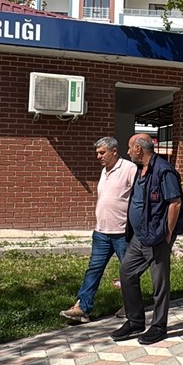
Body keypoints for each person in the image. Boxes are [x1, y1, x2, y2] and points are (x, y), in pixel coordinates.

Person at [113, 134, 183, 345]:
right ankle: (135, 321)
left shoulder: (164, 170)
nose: (127, 152)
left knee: (159, 284)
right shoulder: (140, 170)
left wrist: (168, 233)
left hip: (156, 237)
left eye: (129, 148)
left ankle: (159, 326)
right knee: (127, 273)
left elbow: (175, 203)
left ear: (138, 149)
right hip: (138, 236)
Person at [61, 137, 137, 324]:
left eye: (102, 152)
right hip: (102, 232)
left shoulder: (129, 169)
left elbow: (138, 197)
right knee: (94, 269)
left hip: (122, 233)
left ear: (114, 151)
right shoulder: (105, 171)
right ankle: (82, 308)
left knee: (128, 272)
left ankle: (132, 307)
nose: (98, 156)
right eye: (97, 153)